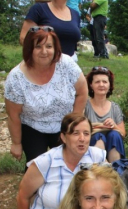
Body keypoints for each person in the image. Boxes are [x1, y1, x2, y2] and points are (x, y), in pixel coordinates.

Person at [15, 114, 106, 209]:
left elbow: (112, 190)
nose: (82, 138)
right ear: (63, 137)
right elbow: (23, 195)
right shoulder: (45, 162)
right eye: (75, 133)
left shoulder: (98, 157)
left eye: (86, 133)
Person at [5, 27, 87, 163]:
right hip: (33, 126)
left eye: (49, 46)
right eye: (38, 47)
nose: (44, 52)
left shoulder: (66, 64)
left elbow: (82, 92)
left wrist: (74, 123)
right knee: (36, 165)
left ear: (55, 48)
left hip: (65, 123)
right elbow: (13, 115)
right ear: (29, 49)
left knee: (68, 163)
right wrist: (16, 143)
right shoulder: (16, 78)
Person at [84, 66, 126, 163]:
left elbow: (123, 134)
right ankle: (101, 168)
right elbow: (79, 130)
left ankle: (117, 170)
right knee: (98, 136)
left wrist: (114, 126)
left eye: (105, 82)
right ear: (91, 85)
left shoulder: (115, 107)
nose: (101, 85)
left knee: (114, 135)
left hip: (113, 147)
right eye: (97, 82)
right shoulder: (85, 106)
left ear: (109, 85)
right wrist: (101, 126)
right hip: (92, 150)